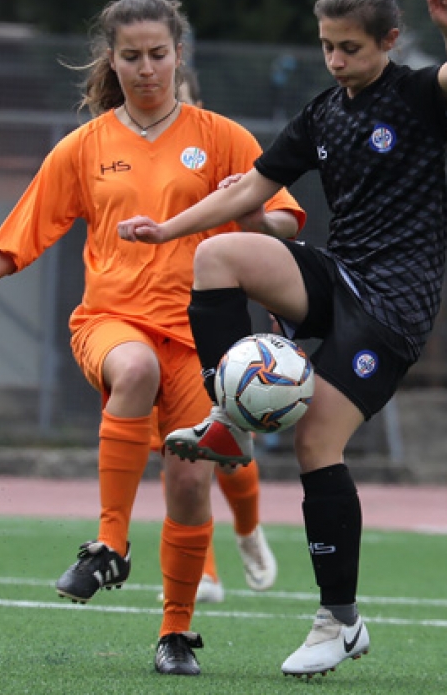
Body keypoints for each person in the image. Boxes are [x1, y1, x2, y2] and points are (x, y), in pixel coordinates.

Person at [0, 0, 305, 675]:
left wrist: (254, 216)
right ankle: (109, 546)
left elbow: (285, 218)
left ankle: (175, 635)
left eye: (159, 54)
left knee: (188, 483)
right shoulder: (85, 147)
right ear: (111, 60)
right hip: (111, 322)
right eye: (132, 56)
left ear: (179, 56)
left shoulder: (223, 138)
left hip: (199, 339)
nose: (147, 67)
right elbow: (19, 238)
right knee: (135, 371)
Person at [118, 0, 447, 677]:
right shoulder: (323, 113)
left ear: (389, 41)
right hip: (340, 274)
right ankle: (230, 417)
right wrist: (167, 231)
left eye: (350, 48)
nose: (337, 60)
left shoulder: (415, 96)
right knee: (221, 254)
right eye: (327, 47)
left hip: (393, 304)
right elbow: (253, 186)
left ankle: (338, 622)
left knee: (317, 439)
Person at [173, 67, 277, 605]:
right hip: (145, 323)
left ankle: (248, 530)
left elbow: (279, 222)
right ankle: (205, 570)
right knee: (182, 459)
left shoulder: (222, 142)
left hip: (210, 325)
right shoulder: (115, 146)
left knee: (228, 446)